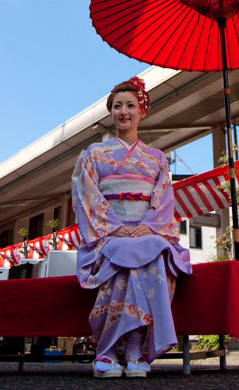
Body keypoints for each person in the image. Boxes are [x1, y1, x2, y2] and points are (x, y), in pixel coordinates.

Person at [73, 76, 191, 378]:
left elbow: (164, 199)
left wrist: (148, 226)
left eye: (129, 105)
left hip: (144, 230)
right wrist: (112, 226)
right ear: (110, 112)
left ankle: (135, 344)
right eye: (116, 106)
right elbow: (86, 194)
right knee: (120, 251)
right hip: (107, 231)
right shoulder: (94, 155)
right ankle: (110, 349)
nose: (123, 111)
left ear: (142, 111)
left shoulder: (156, 158)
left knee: (153, 248)